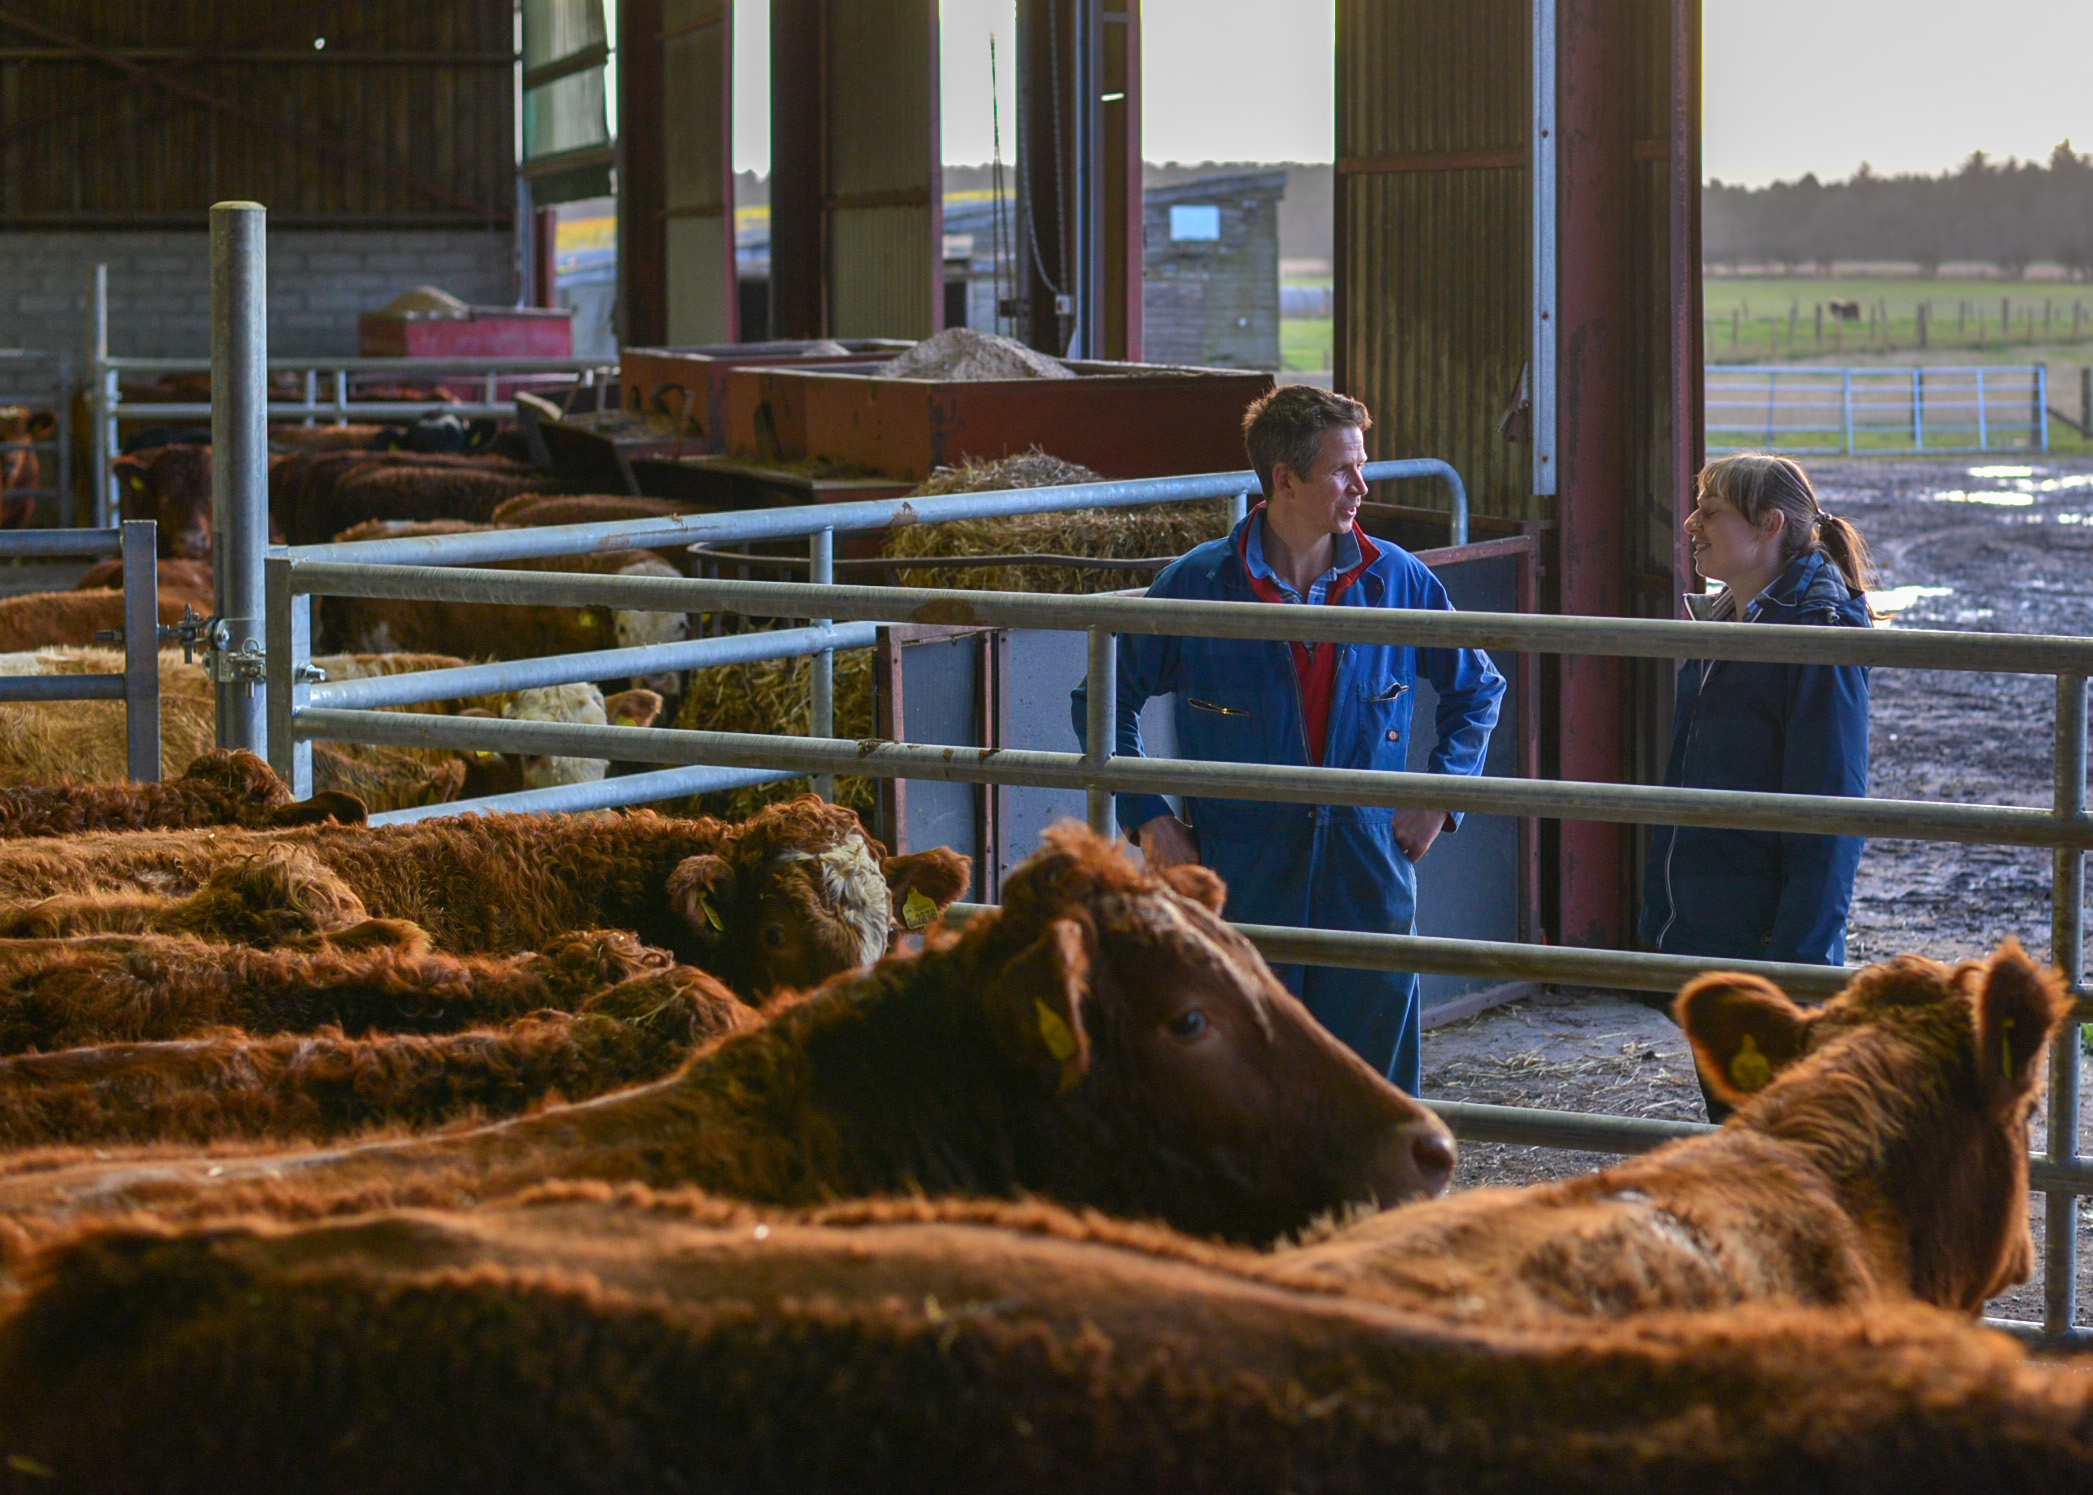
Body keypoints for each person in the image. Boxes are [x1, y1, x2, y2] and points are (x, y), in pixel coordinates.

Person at [1071, 385, 1505, 1094]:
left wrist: (1439, 794)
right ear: (1284, 479)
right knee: (1247, 1073)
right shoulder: (1199, 585)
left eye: (1361, 466)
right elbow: (1101, 699)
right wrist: (1147, 815)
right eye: (1344, 469)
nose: (1361, 485)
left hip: (1365, 869)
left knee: (1372, 1085)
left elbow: (1477, 687)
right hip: (1242, 869)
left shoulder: (1395, 578)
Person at [1639, 454, 1874, 1114]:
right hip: (1717, 923)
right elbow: (1685, 780)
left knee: (1772, 1134)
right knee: (1739, 1127)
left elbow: (1829, 809)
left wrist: (1795, 966)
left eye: (1710, 509)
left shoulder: (1813, 635)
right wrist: (1662, 918)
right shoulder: (1731, 619)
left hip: (1763, 940)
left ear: (1769, 525)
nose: (1690, 523)